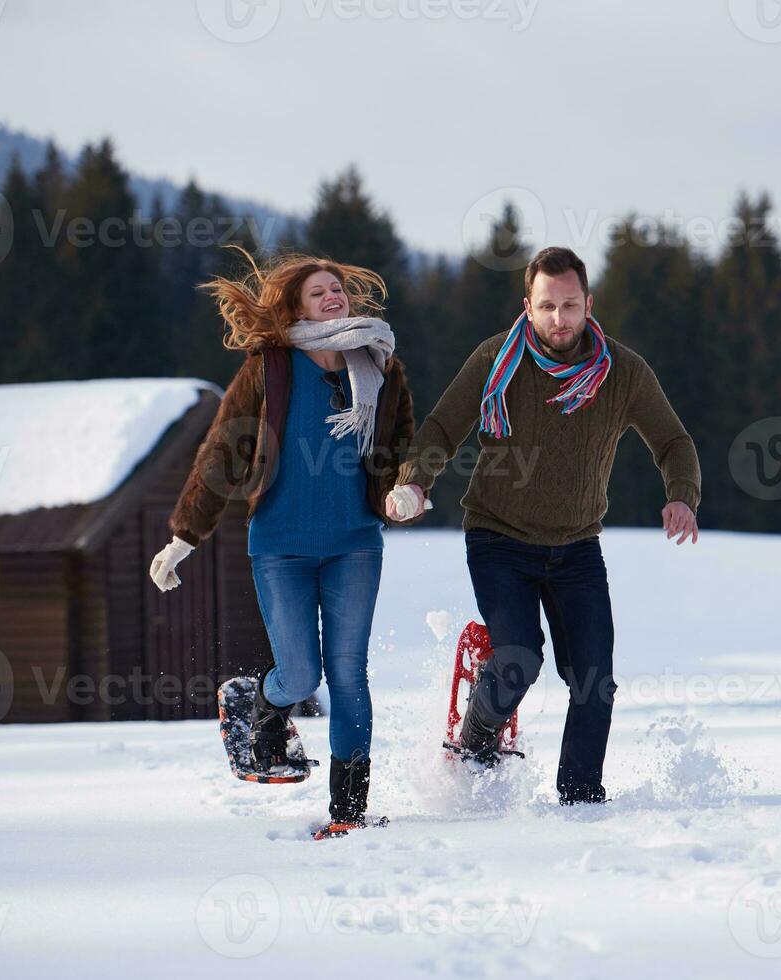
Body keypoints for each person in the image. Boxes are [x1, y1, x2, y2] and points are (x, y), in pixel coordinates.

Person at [385, 246, 700, 805]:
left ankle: (580, 801)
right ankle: (476, 739)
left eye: (571, 306)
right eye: (548, 306)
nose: (560, 319)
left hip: (577, 549)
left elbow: (674, 441)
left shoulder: (622, 372)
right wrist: (414, 482)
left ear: (588, 304)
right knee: (518, 659)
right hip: (498, 539)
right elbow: (440, 428)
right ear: (527, 305)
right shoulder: (493, 361)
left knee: (594, 680)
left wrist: (681, 496)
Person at [148, 246, 421, 833]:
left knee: (348, 673)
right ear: (296, 306)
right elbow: (223, 450)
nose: (333, 296)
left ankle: (348, 813)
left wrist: (406, 489)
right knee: (300, 677)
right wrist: (184, 536)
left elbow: (400, 444)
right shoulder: (269, 367)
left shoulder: (378, 364)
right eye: (318, 291)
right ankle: (262, 703)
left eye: (337, 289)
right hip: (279, 546)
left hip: (355, 544)